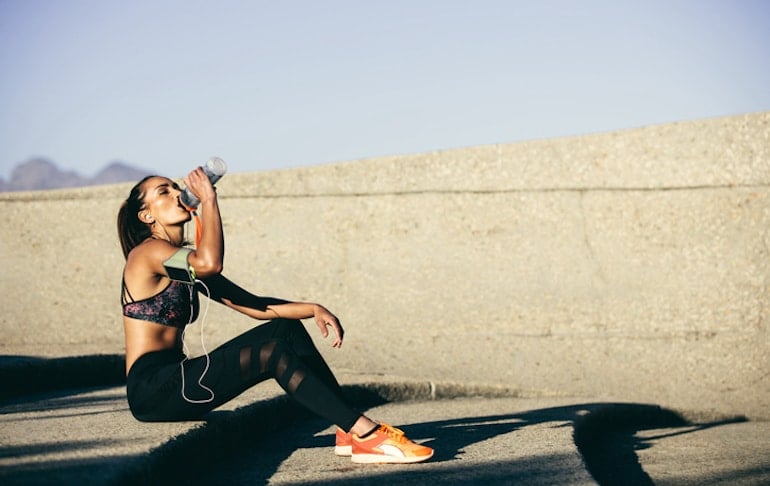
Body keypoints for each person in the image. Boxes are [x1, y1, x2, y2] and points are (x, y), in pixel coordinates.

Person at [117, 168, 434, 464]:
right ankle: (366, 433)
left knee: (285, 330)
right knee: (270, 352)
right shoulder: (147, 253)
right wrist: (210, 199)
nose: (177, 193)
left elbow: (254, 306)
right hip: (153, 390)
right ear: (146, 215)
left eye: (175, 187)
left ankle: (348, 428)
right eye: (164, 191)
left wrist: (311, 308)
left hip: (176, 377)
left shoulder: (179, 261)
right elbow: (210, 263)